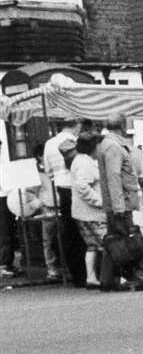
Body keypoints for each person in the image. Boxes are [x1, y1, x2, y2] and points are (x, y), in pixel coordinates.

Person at [96, 115, 143, 292]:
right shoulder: (114, 146)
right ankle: (142, 278)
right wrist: (118, 206)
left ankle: (107, 279)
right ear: (123, 126)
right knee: (131, 240)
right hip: (122, 202)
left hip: (116, 202)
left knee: (114, 240)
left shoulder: (107, 144)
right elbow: (114, 176)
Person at [37, 118, 80, 283]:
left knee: (68, 230)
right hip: (75, 186)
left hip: (61, 189)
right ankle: (85, 270)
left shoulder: (49, 144)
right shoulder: (74, 141)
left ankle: (73, 270)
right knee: (81, 230)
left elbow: (48, 170)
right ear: (75, 126)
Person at [68, 131, 106, 289]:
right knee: (105, 243)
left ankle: (91, 276)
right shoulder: (85, 163)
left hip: (81, 212)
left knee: (92, 246)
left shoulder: (79, 160)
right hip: (91, 212)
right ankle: (108, 276)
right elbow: (83, 186)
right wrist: (99, 201)